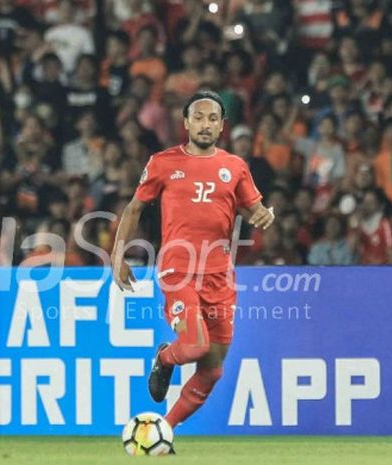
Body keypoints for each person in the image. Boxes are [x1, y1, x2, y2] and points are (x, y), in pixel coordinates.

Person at [111, 91, 274, 431]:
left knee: (213, 369)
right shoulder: (163, 163)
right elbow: (134, 209)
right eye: (198, 118)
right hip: (178, 269)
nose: (205, 124)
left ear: (222, 126)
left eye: (212, 119)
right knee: (195, 345)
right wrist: (117, 255)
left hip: (220, 276)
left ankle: (163, 430)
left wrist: (262, 215)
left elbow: (253, 208)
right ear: (185, 123)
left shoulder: (235, 167)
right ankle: (164, 357)